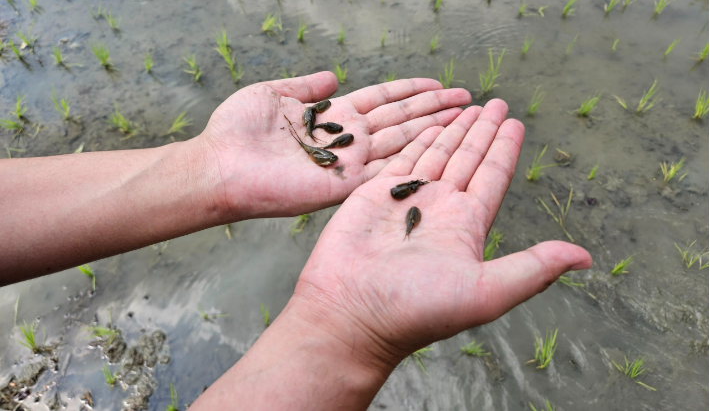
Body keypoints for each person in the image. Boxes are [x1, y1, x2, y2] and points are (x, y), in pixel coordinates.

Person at [0, 72, 592, 410]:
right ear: (318, 137)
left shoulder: (336, 150)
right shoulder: (328, 145)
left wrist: (208, 168)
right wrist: (351, 332)